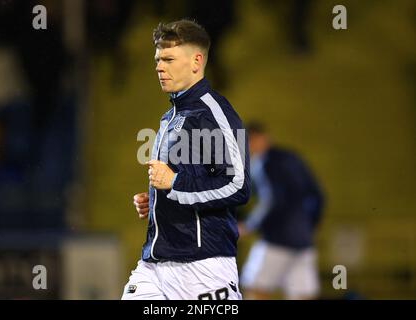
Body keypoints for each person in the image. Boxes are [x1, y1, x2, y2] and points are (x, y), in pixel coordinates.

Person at [122, 19, 250, 300]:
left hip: (202, 266)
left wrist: (174, 182)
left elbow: (238, 185)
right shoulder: (170, 117)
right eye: (157, 59)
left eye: (168, 59)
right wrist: (156, 200)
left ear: (196, 61)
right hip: (155, 264)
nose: (158, 66)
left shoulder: (216, 114)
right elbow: (183, 182)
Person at [238, 122, 324, 300]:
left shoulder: (264, 163)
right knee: (303, 295)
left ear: (253, 140)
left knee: (254, 287)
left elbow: (272, 199)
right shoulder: (292, 158)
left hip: (276, 239)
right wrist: (309, 227)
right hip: (303, 239)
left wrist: (249, 225)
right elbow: (318, 195)